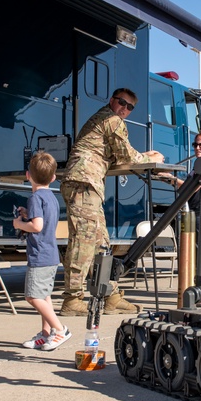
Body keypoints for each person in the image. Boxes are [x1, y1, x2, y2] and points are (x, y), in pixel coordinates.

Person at [59, 88, 163, 316]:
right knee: (84, 241)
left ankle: (111, 295)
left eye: (130, 107)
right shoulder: (112, 119)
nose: (125, 109)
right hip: (83, 183)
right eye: (122, 103)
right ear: (112, 101)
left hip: (87, 184)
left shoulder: (107, 120)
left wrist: (143, 155)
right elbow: (127, 156)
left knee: (100, 242)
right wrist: (151, 158)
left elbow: (118, 154)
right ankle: (72, 300)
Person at [14, 152, 70, 350]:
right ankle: (46, 334)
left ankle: (59, 330)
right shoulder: (52, 198)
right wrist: (29, 215)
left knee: (32, 296)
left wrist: (19, 223)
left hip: (40, 255)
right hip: (51, 254)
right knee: (44, 295)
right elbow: (43, 221)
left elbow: (37, 227)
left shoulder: (35, 197)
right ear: (53, 178)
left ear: (28, 175)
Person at [158, 132, 201, 305]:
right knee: (195, 252)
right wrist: (171, 180)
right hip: (195, 211)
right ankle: (200, 289)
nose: (198, 148)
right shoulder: (198, 165)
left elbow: (192, 188)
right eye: (195, 145)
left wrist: (171, 179)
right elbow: (188, 186)